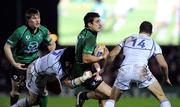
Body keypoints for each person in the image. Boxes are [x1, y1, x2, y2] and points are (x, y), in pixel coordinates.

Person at [103, 21, 172, 107]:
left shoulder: (128, 38)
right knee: (162, 97)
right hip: (141, 70)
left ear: (140, 30)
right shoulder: (153, 43)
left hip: (125, 69)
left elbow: (112, 54)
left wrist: (104, 68)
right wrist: (166, 77)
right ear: (151, 32)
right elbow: (163, 64)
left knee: (112, 99)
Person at [4, 8, 56, 107]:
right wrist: (14, 63)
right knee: (15, 93)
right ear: (28, 20)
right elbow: (7, 46)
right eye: (34, 18)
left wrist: (51, 51)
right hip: (19, 64)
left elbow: (52, 44)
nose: (37, 20)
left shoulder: (43, 30)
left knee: (43, 91)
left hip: (34, 64)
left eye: (38, 18)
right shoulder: (20, 31)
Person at [11, 47, 93, 107]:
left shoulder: (66, 52)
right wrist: (83, 78)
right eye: (70, 63)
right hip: (35, 73)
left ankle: (42, 92)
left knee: (57, 91)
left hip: (47, 71)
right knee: (33, 100)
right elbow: (69, 85)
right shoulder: (57, 66)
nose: (70, 64)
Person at [74, 12, 112, 107]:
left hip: (83, 69)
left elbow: (88, 54)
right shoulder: (90, 37)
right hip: (84, 73)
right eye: (97, 22)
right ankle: (83, 95)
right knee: (112, 94)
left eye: (100, 21)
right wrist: (102, 57)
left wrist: (98, 70)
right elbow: (86, 58)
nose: (100, 24)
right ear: (89, 24)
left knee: (101, 96)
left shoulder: (84, 32)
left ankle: (84, 96)